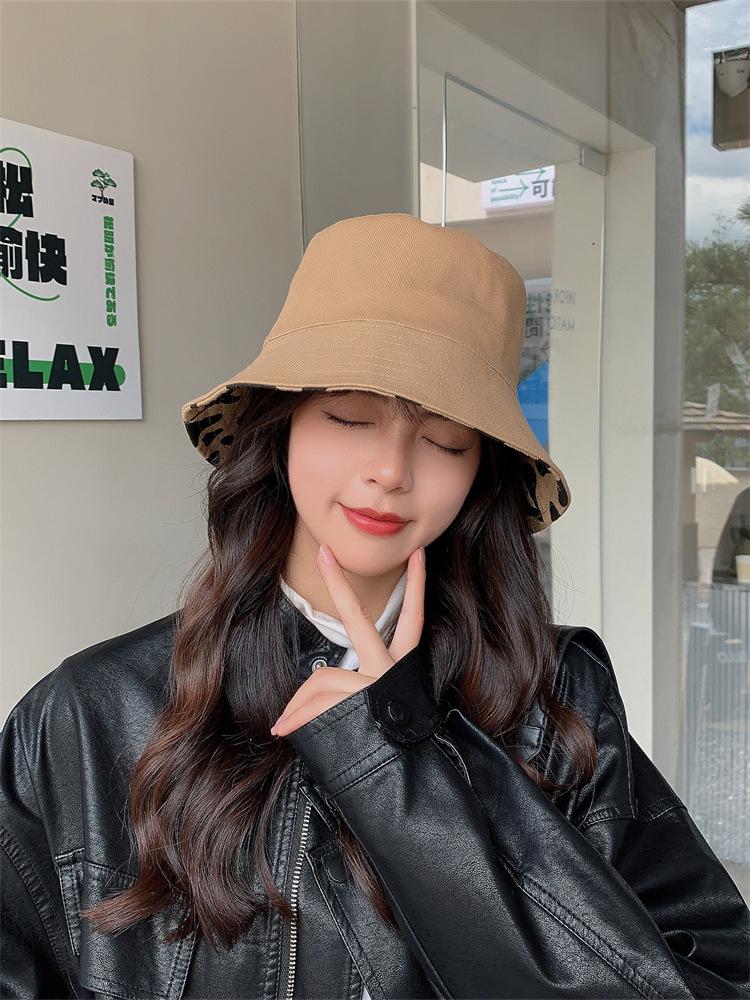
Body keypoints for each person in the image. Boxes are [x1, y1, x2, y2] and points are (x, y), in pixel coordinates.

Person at [1, 213, 748, 1000]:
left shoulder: (556, 704)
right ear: (281, 425)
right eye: (350, 416)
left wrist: (399, 778)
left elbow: (704, 981)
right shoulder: (88, 712)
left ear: (481, 472)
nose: (391, 469)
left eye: (446, 440)